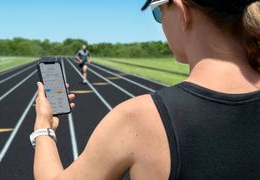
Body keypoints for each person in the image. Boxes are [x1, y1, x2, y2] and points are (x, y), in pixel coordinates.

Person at [31, 0, 260, 179]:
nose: (160, 22)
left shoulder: (138, 119)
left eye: (158, 12)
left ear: (182, 12)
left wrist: (43, 129)